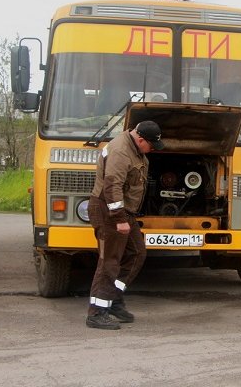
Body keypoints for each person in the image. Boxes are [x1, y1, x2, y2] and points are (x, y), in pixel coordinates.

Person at [86, 120, 165, 330]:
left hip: (123, 212)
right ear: (140, 139)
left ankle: (113, 299)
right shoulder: (121, 151)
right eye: (151, 146)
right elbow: (112, 186)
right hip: (108, 210)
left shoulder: (135, 148)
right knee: (109, 261)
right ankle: (97, 312)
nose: (152, 151)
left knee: (137, 253)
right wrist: (119, 219)